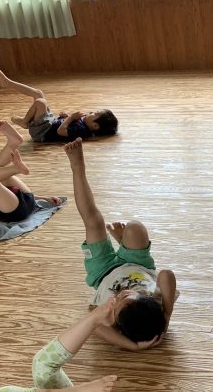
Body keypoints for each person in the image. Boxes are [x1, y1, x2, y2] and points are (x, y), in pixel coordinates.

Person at [66, 138, 178, 351]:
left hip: (102, 272)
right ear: (146, 297)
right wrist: (166, 315)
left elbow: (92, 325)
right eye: (129, 294)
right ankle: (123, 245)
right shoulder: (154, 303)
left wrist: (133, 347)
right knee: (135, 227)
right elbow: (166, 274)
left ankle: (77, 166)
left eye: (118, 300)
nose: (119, 295)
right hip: (138, 265)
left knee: (94, 221)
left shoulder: (109, 318)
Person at [0, 65, 118, 143]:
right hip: (49, 123)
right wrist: (65, 117)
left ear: (95, 126)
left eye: (94, 114)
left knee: (40, 102)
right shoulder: (82, 124)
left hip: (42, 132)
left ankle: (25, 122)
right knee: (38, 93)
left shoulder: (82, 131)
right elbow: (65, 125)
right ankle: (8, 83)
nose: (91, 112)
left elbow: (60, 131)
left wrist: (71, 118)